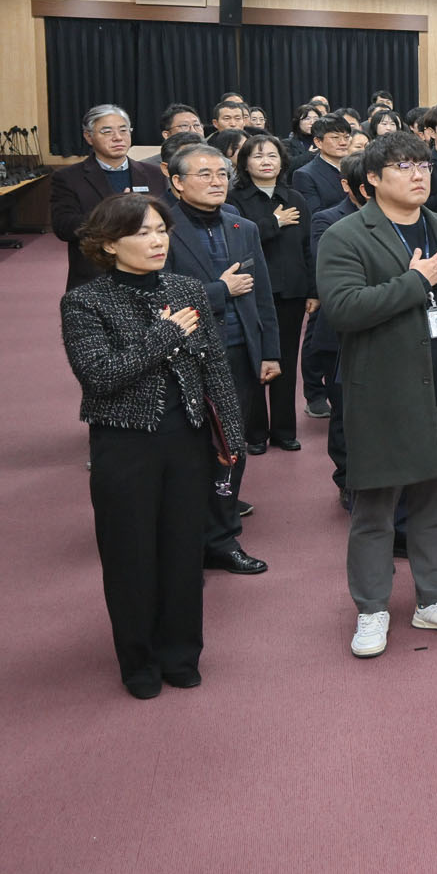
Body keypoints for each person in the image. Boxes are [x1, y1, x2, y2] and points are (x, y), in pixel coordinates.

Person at [316, 131, 437, 658]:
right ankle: (372, 608)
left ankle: (433, 598)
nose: (418, 174)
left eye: (422, 165)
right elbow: (343, 309)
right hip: (383, 395)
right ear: (373, 179)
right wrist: (416, 281)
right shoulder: (345, 236)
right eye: (403, 166)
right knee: (375, 512)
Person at [60, 196, 246, 698]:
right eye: (142, 233)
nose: (158, 241)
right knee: (130, 555)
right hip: (124, 445)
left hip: (186, 440)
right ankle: (138, 660)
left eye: (161, 230)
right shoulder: (85, 302)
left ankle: (181, 653)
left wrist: (232, 436)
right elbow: (100, 376)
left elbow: (214, 368)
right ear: (108, 244)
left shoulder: (186, 289)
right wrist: (165, 334)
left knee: (184, 551)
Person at [163, 144, 279, 573]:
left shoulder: (242, 226)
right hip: (183, 357)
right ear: (177, 182)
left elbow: (261, 294)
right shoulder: (159, 229)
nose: (217, 182)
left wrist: (269, 352)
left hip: (238, 352)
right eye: (204, 174)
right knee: (188, 450)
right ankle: (186, 538)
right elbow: (155, 298)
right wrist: (219, 291)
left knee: (231, 449)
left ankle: (222, 536)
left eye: (221, 174)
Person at [228, 133, 312, 454]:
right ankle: (255, 433)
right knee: (253, 362)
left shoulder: (295, 198)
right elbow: (239, 242)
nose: (266, 162)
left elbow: (307, 246)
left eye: (272, 156)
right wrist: (273, 222)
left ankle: (283, 430)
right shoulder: (235, 200)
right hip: (251, 292)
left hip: (291, 291)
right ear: (245, 163)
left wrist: (312, 289)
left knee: (286, 362)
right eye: (258, 156)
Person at [51, 103, 171, 290]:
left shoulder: (154, 174)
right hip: (95, 276)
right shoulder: (68, 177)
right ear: (88, 137)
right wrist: (113, 213)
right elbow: (63, 227)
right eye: (107, 131)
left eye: (123, 130)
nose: (118, 137)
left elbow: (167, 221)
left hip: (149, 274)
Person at [309, 156, 366, 490]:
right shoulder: (327, 220)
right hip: (339, 332)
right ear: (349, 186)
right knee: (344, 411)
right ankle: (346, 478)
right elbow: (330, 271)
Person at [293, 112, 353, 218]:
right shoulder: (305, 175)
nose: (343, 142)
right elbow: (316, 215)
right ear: (318, 142)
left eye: (346, 137)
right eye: (335, 138)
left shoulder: (358, 167)